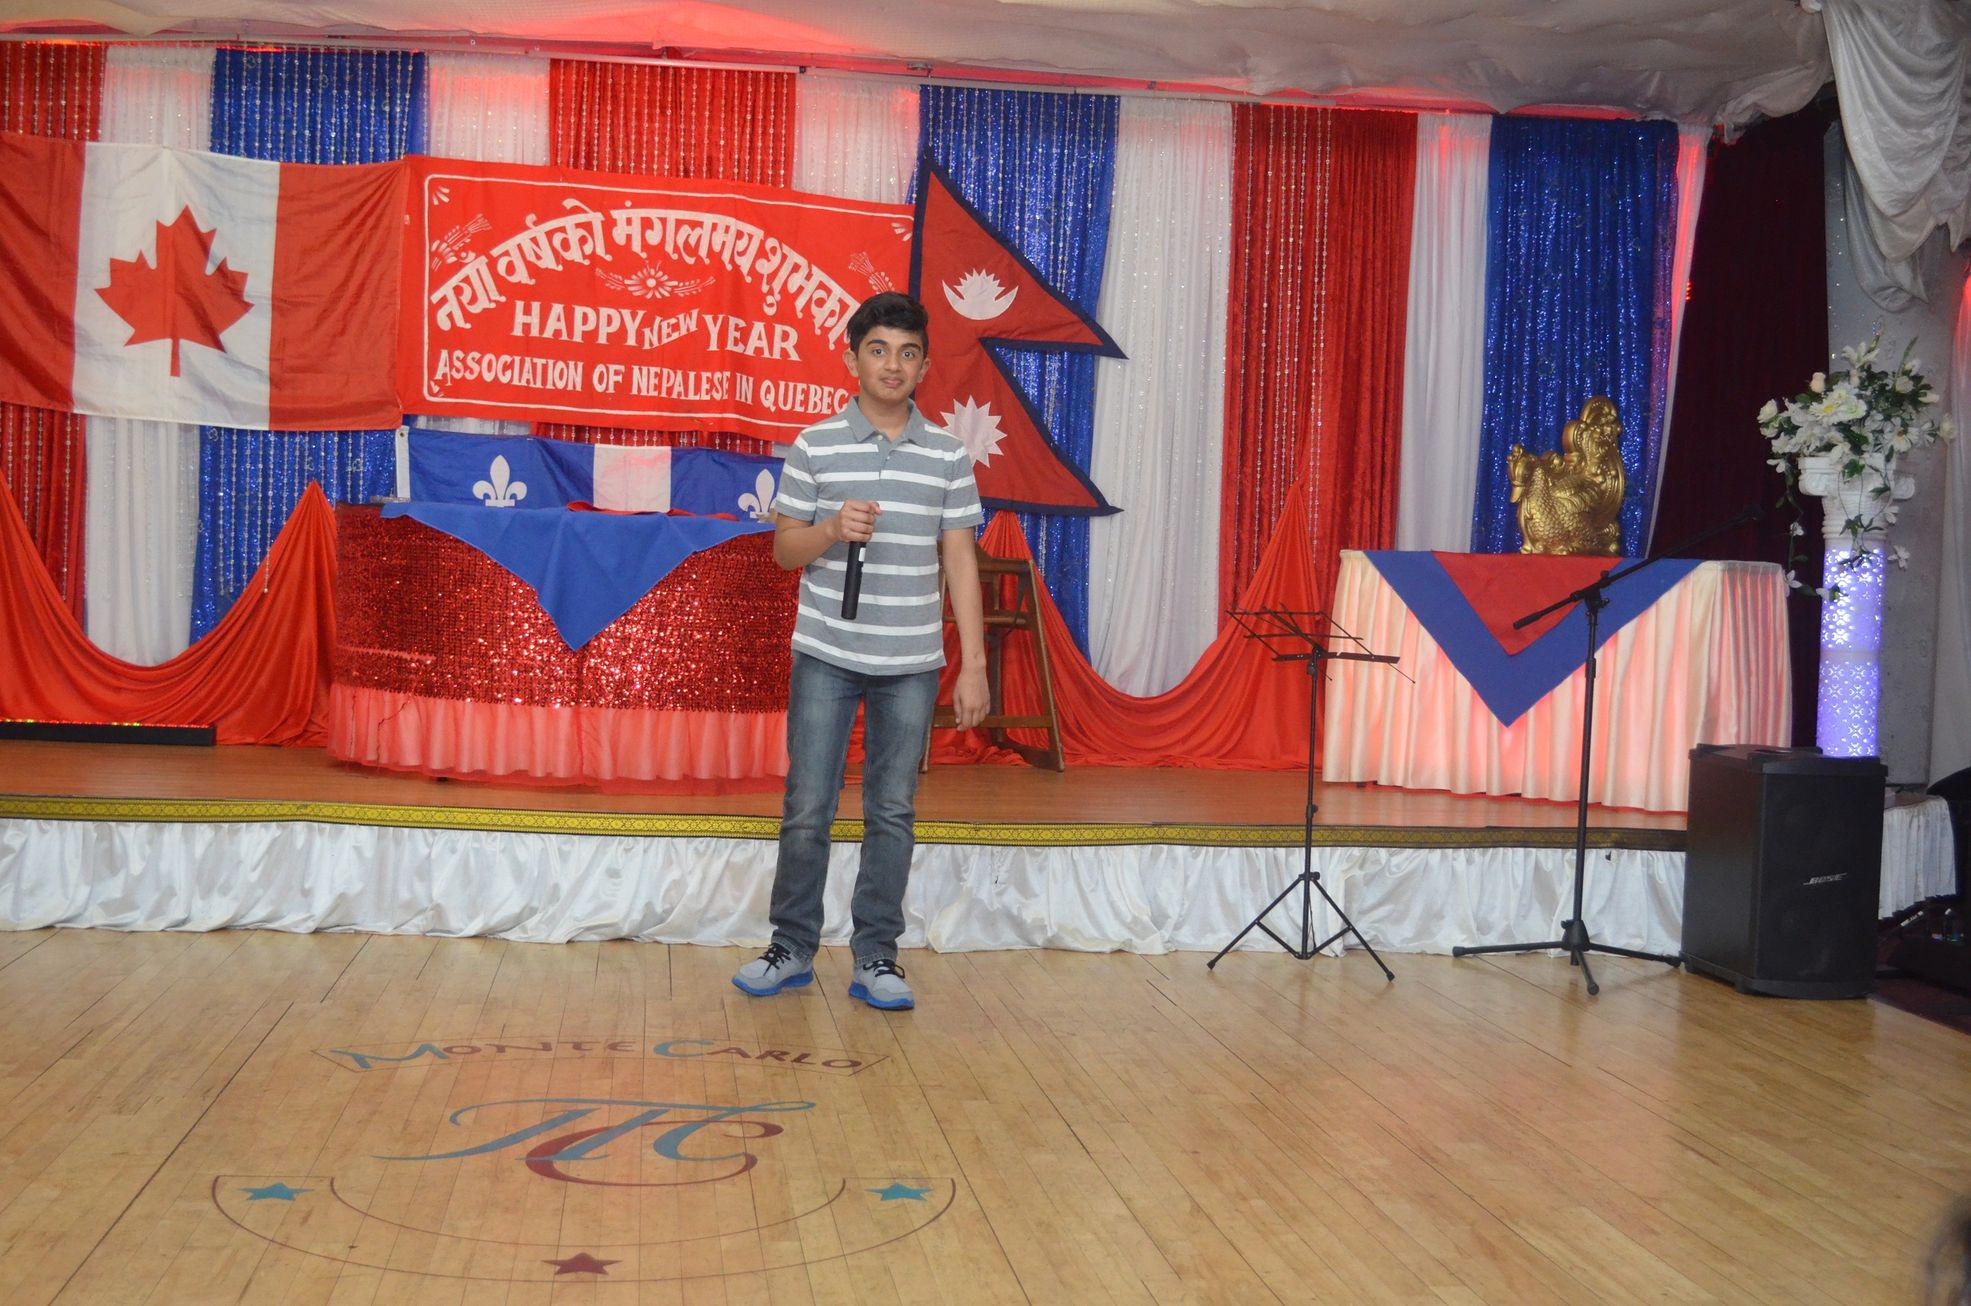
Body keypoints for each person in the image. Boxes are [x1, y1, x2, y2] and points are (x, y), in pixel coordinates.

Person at [732, 291, 988, 1011]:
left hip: (910, 663)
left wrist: (973, 664)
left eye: (908, 353)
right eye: (878, 350)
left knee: (892, 811)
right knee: (808, 805)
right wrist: (829, 530)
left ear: (924, 367)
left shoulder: (946, 454)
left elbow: (960, 559)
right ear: (851, 359)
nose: (892, 365)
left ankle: (877, 955)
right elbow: (785, 552)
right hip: (826, 653)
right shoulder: (816, 444)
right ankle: (791, 947)